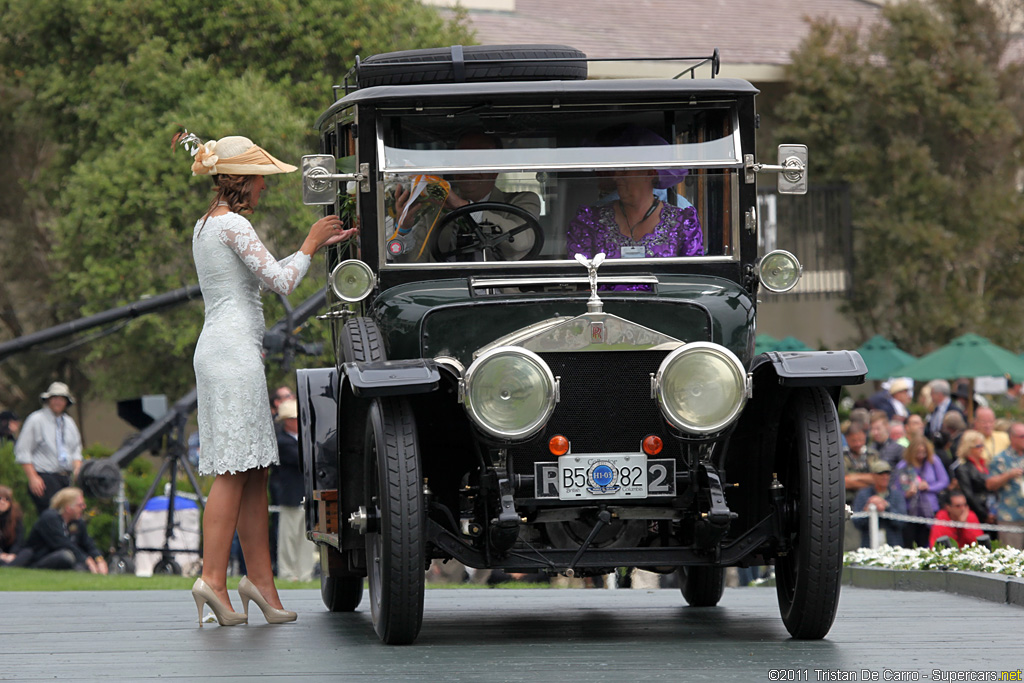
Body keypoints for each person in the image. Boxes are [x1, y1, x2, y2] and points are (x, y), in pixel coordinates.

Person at [178, 130, 354, 626]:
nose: (264, 189)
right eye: (260, 181)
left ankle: (262, 585)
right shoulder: (232, 225)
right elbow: (280, 282)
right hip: (231, 354)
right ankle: (212, 580)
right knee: (235, 469)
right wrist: (311, 242)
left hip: (222, 350)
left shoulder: (204, 225)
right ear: (242, 181)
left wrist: (316, 246)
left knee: (254, 470)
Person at [566, 126, 703, 287]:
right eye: (615, 169)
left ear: (651, 172)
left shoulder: (683, 222)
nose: (616, 177)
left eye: (624, 170)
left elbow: (693, 282)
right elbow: (578, 281)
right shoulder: (589, 221)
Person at [393, 132, 541, 262]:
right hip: (443, 289)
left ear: (496, 169)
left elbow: (522, 242)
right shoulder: (434, 208)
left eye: (480, 161)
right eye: (462, 160)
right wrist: (404, 229)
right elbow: (413, 266)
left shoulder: (522, 201)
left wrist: (463, 207)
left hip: (499, 289)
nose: (469, 168)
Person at [14, 382, 82, 513]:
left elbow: (76, 450)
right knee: (51, 515)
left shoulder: (69, 423)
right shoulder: (36, 419)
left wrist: (78, 470)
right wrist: (33, 477)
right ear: (49, 400)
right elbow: (23, 450)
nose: (58, 402)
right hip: (45, 477)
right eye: (55, 398)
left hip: (65, 477)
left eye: (62, 399)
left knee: (67, 516)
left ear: (66, 402)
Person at [271, 399, 315, 583]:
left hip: (307, 494)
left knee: (307, 539)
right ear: (287, 421)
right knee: (288, 538)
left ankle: (305, 573)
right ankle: (288, 573)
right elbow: (302, 459)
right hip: (290, 496)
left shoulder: (303, 439)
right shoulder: (282, 441)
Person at [21, 487, 107, 572]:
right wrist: (87, 560)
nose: (84, 507)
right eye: (80, 505)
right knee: (66, 556)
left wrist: (99, 559)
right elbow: (62, 543)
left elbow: (88, 543)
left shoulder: (77, 522)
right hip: (43, 558)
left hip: (69, 557)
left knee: (78, 562)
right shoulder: (50, 518)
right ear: (68, 508)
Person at [894, 436, 948, 548]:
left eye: (923, 452)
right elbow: (897, 491)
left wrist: (929, 487)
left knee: (927, 542)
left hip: (930, 509)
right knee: (910, 543)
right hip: (910, 511)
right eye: (918, 452)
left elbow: (944, 481)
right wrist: (907, 493)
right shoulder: (903, 466)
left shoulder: (933, 461)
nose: (921, 455)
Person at [985, 422, 1024, 549]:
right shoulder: (1000, 459)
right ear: (1012, 437)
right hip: (1010, 516)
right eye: (1022, 436)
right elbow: (990, 484)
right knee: (1013, 556)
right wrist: (1008, 475)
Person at [852, 460, 907, 548]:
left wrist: (886, 506)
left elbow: (902, 522)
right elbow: (857, 523)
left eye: (887, 473)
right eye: (880, 473)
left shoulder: (897, 495)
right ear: (873, 476)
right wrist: (867, 509)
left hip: (893, 546)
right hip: (868, 545)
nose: (885, 476)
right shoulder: (863, 494)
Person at [949, 429, 993, 526]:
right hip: (978, 510)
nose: (981, 448)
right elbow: (968, 494)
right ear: (968, 448)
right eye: (978, 446)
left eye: (982, 445)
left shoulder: (985, 463)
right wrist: (984, 514)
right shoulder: (962, 467)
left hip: (991, 506)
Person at [0, 484, 31, 567]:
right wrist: (1, 554)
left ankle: (8, 566)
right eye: (0, 499)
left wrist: (12, 554)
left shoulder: (16, 517)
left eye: (7, 499)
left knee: (28, 552)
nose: (3, 502)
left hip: (10, 555)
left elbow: (19, 540)